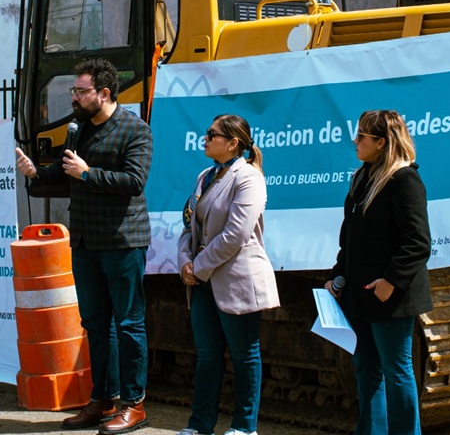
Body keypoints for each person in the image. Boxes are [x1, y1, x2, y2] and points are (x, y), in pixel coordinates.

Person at [15, 58, 153, 434]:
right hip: (86, 241)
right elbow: (67, 174)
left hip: (123, 241)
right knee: (95, 324)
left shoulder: (134, 130)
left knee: (128, 323)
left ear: (104, 93)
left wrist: (88, 173)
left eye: (80, 91)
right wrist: (37, 173)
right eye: (74, 91)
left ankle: (134, 404)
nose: (73, 97)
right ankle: (102, 399)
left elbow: (134, 181)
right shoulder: (79, 130)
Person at [325, 110, 432, 435]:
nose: (355, 141)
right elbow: (351, 239)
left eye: (362, 137)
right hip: (359, 293)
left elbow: (418, 242)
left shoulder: (404, 180)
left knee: (397, 370)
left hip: (390, 297)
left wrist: (392, 282)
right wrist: (337, 275)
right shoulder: (363, 176)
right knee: (366, 368)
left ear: (381, 142)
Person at [176, 114, 279, 435]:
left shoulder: (249, 177)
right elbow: (189, 224)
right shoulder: (206, 175)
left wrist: (200, 267)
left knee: (245, 355)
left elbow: (236, 234)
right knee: (207, 357)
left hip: (236, 279)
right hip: (202, 279)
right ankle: (199, 426)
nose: (204, 139)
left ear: (233, 142)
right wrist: (184, 263)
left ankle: (245, 427)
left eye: (212, 134)